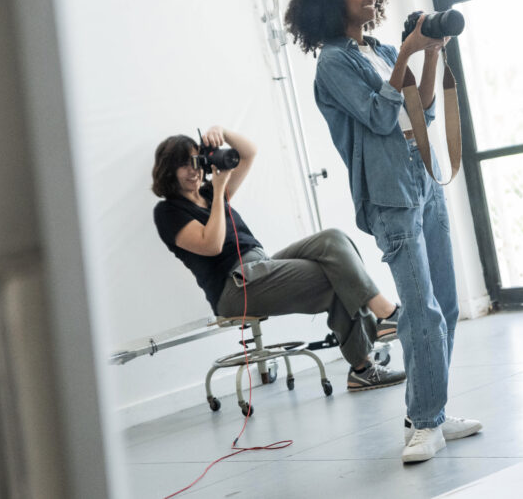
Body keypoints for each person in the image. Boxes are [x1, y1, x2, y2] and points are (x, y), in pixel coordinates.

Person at [284, 0, 481, 462]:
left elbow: (425, 112)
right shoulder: (333, 63)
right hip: (389, 196)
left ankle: (431, 411)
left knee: (447, 305)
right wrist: (404, 58)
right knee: (421, 310)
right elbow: (376, 116)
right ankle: (423, 422)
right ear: (335, 0)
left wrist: (430, 51)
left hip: (424, 182)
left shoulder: (378, 47)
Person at [151, 125, 405, 392]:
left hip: (260, 266)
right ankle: (384, 325)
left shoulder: (210, 194)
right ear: (169, 171)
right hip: (233, 288)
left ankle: (375, 342)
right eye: (183, 165)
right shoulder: (168, 212)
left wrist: (222, 133)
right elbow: (212, 245)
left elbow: (248, 153)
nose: (193, 171)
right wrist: (219, 191)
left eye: (195, 161)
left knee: (332, 240)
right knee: (335, 273)